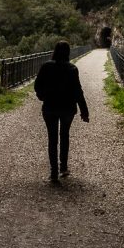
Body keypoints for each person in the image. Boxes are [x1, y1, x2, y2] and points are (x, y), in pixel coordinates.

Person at [34, 41, 89, 183]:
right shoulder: (72, 69)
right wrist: (84, 111)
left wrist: (42, 96)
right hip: (67, 108)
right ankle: (63, 168)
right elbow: (78, 91)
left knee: (52, 139)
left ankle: (53, 172)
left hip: (50, 107)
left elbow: (37, 85)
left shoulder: (46, 67)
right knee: (64, 136)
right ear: (68, 52)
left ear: (55, 51)